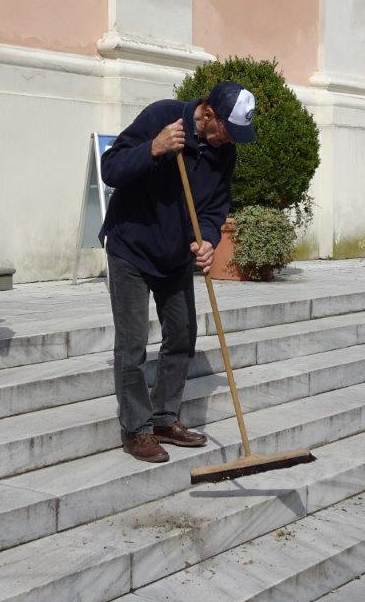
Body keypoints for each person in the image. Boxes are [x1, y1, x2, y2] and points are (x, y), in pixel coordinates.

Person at [100, 81, 257, 462]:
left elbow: (216, 207)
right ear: (209, 114)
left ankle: (164, 418)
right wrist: (153, 148)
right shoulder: (163, 117)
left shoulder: (224, 152)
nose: (229, 141)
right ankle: (136, 429)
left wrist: (208, 240)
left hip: (175, 256)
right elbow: (111, 169)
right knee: (132, 343)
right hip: (131, 248)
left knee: (184, 335)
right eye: (227, 131)